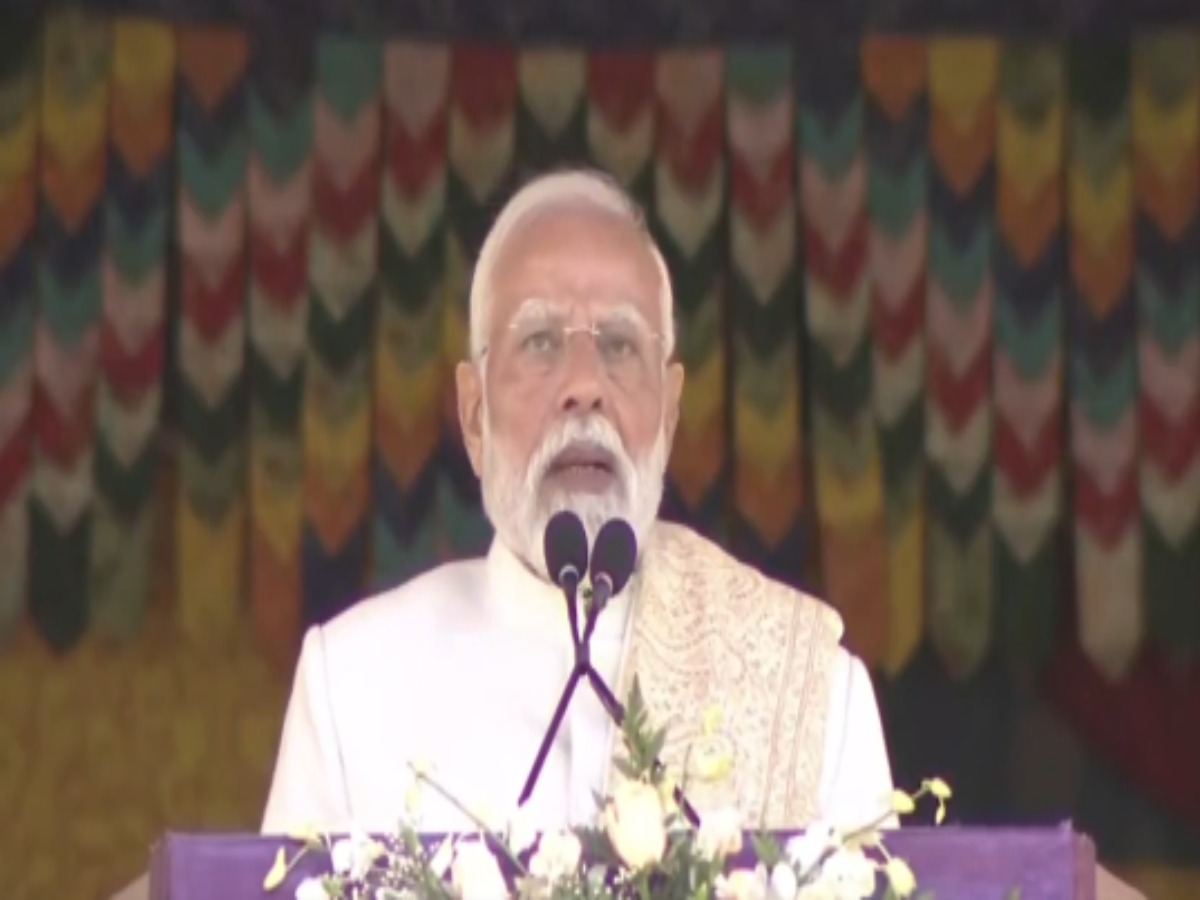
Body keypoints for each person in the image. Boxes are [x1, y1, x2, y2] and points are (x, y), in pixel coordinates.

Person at [259, 167, 893, 837]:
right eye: (540, 342)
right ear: (473, 416)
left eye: (620, 345)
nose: (585, 385)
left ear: (670, 414)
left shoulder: (815, 691)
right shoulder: (354, 684)